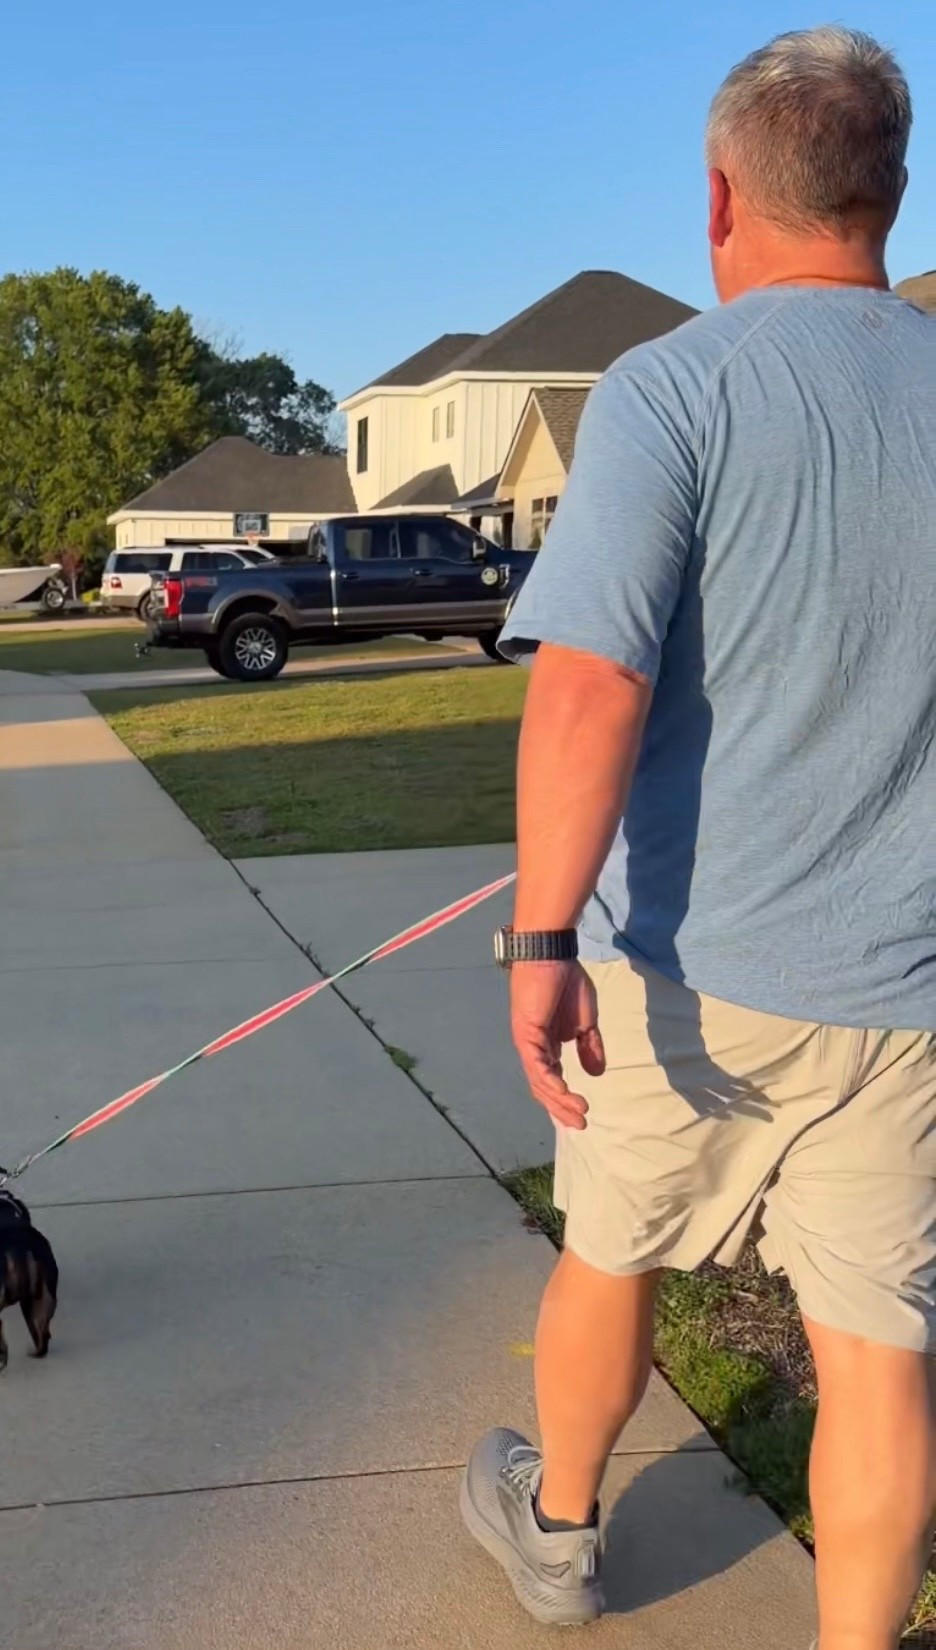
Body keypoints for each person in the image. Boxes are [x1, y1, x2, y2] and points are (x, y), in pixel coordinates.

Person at [461, 26, 935, 1650]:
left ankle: (560, 1530)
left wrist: (540, 936)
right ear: (887, 190)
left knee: (613, 1253)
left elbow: (590, 684)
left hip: (684, 971)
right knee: (879, 1352)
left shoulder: (673, 387)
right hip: (907, 990)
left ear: (723, 198)